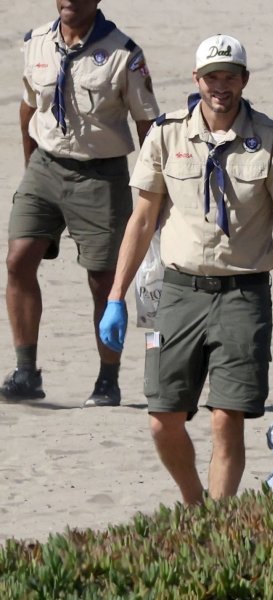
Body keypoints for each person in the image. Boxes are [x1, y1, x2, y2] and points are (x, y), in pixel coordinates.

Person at [99, 34, 273, 503]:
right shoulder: (166, 133)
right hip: (177, 294)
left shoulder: (271, 140)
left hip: (244, 297)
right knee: (161, 419)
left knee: (226, 418)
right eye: (211, 76)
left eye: (229, 76)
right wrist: (115, 299)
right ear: (196, 80)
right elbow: (141, 219)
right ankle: (195, 503)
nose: (219, 86)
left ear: (244, 80)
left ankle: (217, 524)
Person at [0, 0, 159, 407]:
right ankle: (25, 372)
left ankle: (107, 380)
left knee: (103, 280)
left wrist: (152, 195)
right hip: (44, 166)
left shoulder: (124, 53)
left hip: (100, 175)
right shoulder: (37, 42)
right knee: (18, 260)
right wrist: (30, 165)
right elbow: (28, 107)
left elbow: (148, 126)